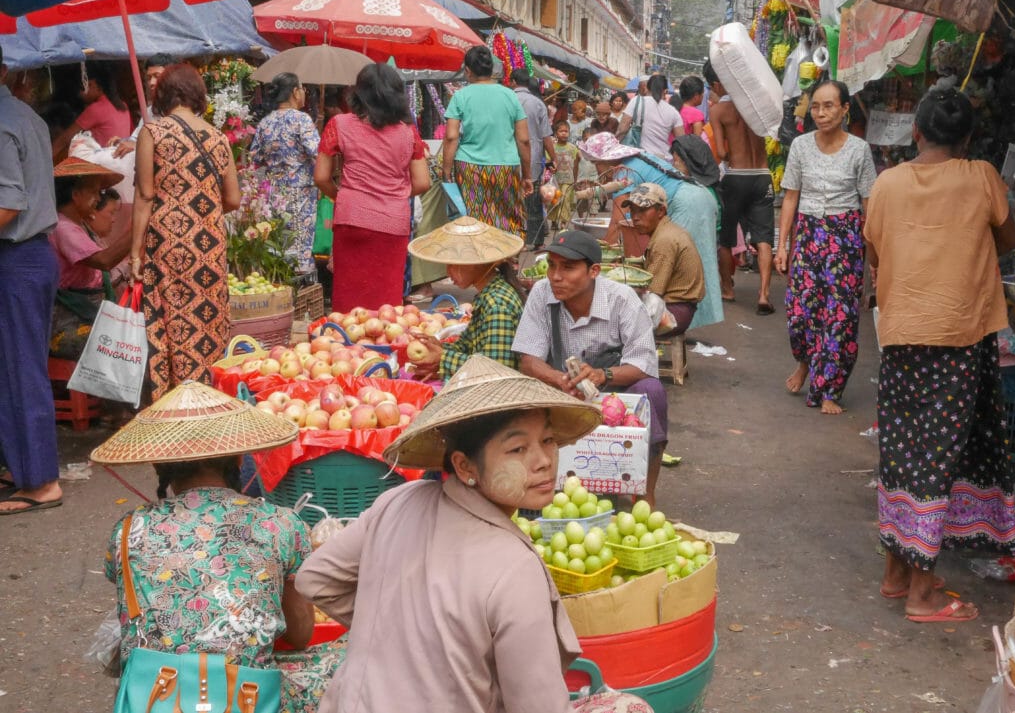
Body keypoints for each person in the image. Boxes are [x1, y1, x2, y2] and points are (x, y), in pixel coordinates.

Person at [297, 354, 653, 713]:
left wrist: (402, 634)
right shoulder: (514, 568)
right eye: (518, 449)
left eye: (547, 441)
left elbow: (315, 578)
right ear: (465, 466)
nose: (544, 460)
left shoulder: (398, 500)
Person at [91, 381, 345, 713]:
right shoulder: (281, 523)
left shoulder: (127, 529)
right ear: (239, 460)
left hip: (156, 695)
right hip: (244, 698)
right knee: (347, 656)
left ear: (159, 466)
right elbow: (299, 635)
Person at [865, 87, 1015, 622]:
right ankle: (922, 593)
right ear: (970, 138)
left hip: (904, 334)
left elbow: (876, 248)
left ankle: (895, 573)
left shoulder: (887, 183)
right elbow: (1006, 238)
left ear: (916, 132)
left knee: (904, 451)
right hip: (959, 336)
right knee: (937, 458)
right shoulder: (982, 176)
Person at [511, 230, 668, 506]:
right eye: (552, 266)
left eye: (568, 268)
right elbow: (528, 360)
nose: (555, 276)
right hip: (561, 387)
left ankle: (645, 493)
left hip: (615, 388)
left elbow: (643, 362)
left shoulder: (622, 299)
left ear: (593, 271)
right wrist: (559, 379)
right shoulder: (541, 293)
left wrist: (602, 375)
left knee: (652, 391)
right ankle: (539, 485)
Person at [131, 63, 241, 401]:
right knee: (208, 323)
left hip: (167, 244)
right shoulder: (219, 137)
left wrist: (135, 253)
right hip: (208, 245)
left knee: (172, 323)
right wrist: (201, 212)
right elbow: (234, 199)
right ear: (197, 95)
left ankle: (174, 403)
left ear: (163, 95)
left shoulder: (153, 132)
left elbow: (145, 194)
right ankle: (209, 398)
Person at [774, 80, 876, 415]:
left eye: (829, 105)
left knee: (840, 317)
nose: (821, 113)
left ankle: (829, 389)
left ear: (845, 109)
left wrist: (873, 253)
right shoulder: (801, 147)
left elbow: (867, 203)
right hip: (807, 235)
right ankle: (805, 362)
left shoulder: (859, 150)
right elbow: (790, 197)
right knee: (800, 313)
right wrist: (783, 246)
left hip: (845, 238)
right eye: (816, 106)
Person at [0, 44, 63, 516]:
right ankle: (21, 466)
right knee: (17, 368)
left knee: (21, 370)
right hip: (33, 255)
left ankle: (40, 481)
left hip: (18, 255)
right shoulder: (27, 116)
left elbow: (9, 204)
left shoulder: (4, 122)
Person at [576, 132, 723, 331]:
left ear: (607, 159)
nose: (597, 168)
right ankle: (683, 320)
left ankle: (675, 321)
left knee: (680, 261)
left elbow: (617, 222)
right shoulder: (635, 159)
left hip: (687, 203)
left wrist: (602, 262)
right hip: (698, 196)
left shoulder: (624, 171)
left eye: (597, 163)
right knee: (694, 259)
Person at [315, 63, 430, 311]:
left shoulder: (339, 124)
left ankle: (346, 345)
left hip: (351, 218)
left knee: (348, 299)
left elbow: (321, 177)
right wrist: (394, 194)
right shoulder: (409, 132)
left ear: (358, 94)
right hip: (393, 221)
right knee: (386, 300)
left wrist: (343, 195)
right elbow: (422, 182)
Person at [406, 217, 525, 380]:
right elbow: (467, 345)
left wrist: (443, 357)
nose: (448, 272)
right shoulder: (486, 295)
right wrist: (437, 347)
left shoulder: (497, 304)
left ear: (477, 263)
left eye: (454, 265)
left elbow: (496, 369)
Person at [704, 59, 774, 314]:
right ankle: (764, 294)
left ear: (717, 84)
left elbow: (721, 152)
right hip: (763, 176)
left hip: (736, 176)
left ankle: (727, 288)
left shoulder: (718, 111)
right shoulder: (759, 105)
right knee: (764, 238)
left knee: (726, 237)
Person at [442, 46, 532, 237]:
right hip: (506, 167)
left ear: (467, 70)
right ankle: (508, 261)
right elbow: (523, 140)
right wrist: (527, 175)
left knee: (474, 220)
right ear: (492, 70)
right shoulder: (510, 96)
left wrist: (447, 170)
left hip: (469, 168)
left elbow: (451, 136)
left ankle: (480, 264)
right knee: (508, 219)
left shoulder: (460, 96)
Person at [49, 158, 130, 359]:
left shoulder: (80, 226)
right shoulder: (64, 228)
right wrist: (139, 227)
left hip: (87, 312)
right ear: (76, 195)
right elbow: (103, 261)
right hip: (70, 321)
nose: (97, 198)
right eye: (93, 192)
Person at [251, 72, 321, 276]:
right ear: (294, 92)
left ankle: (279, 281)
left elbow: (255, 158)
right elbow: (317, 152)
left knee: (279, 244)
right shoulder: (302, 120)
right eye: (302, 89)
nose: (304, 94)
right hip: (301, 193)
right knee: (300, 246)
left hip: (274, 194)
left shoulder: (265, 122)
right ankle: (302, 293)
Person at [624, 183, 704, 336]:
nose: (635, 217)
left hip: (674, 312)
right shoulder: (666, 231)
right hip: (679, 306)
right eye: (632, 211)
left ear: (661, 211)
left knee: (613, 320)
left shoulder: (664, 240)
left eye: (642, 210)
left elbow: (653, 290)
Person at [52, 60, 132, 160]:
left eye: (83, 87)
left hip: (105, 164)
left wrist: (46, 159)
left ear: (93, 85)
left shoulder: (96, 109)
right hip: (121, 160)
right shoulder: (123, 105)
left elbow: (64, 139)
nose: (80, 93)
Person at [511, 68, 555, 250]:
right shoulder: (538, 104)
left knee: (513, 200)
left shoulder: (508, 99)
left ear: (513, 81)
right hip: (534, 158)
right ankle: (536, 241)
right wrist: (554, 157)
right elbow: (546, 135)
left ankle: (515, 241)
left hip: (509, 157)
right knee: (534, 201)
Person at [111, 53, 178, 158]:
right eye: (149, 77)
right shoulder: (150, 111)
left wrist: (138, 146)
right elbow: (136, 138)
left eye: (157, 76)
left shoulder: (186, 110)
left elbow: (177, 146)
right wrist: (122, 141)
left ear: (173, 78)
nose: (151, 82)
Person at [615, 74, 685, 161]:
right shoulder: (673, 112)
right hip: (664, 161)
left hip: (640, 159)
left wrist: (613, 147)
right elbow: (681, 140)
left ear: (647, 87)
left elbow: (622, 129)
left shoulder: (636, 101)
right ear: (665, 91)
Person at [551, 120, 580, 229]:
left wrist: (575, 180)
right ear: (556, 133)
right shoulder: (552, 147)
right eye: (561, 131)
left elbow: (576, 164)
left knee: (565, 199)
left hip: (568, 179)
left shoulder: (572, 148)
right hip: (555, 179)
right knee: (554, 200)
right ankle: (554, 221)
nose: (564, 133)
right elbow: (548, 162)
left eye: (566, 131)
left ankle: (564, 222)